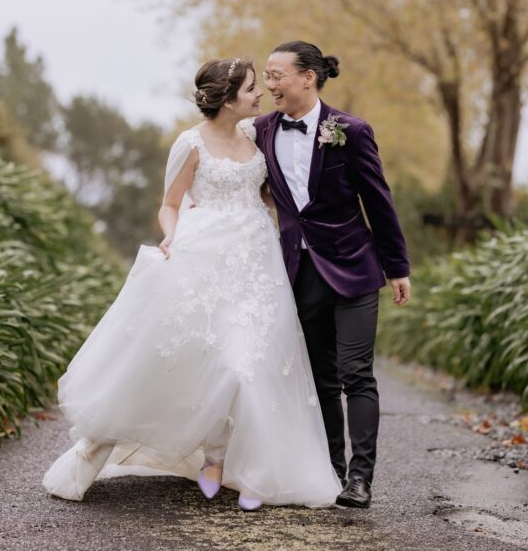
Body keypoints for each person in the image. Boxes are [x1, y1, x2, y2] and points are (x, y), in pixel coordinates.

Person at [42, 58, 342, 511]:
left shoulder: (254, 135)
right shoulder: (190, 143)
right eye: (250, 89)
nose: (258, 94)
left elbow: (270, 195)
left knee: (247, 364)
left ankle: (221, 463)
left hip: (257, 263)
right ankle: (95, 451)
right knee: (177, 359)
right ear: (226, 97)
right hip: (205, 258)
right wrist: (171, 234)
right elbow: (170, 203)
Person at [254, 41, 411, 509]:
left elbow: (378, 202)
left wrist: (397, 267)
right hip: (299, 272)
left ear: (309, 76)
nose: (270, 84)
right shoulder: (260, 131)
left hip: (356, 268)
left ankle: (361, 479)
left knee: (356, 374)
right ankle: (332, 473)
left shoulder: (351, 131)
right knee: (321, 378)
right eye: (265, 75)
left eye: (277, 75)